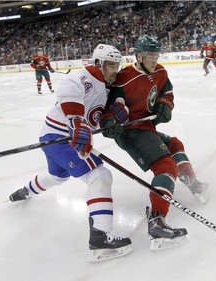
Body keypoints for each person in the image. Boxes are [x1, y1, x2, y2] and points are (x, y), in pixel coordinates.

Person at [9, 44, 132, 262]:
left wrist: (114, 114)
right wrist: (76, 122)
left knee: (58, 176)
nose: (115, 69)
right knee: (100, 175)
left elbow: (99, 113)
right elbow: (69, 90)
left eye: (117, 64)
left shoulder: (105, 84)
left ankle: (23, 192)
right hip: (61, 137)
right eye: (111, 65)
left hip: (51, 137)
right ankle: (101, 238)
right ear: (98, 64)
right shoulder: (86, 77)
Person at [100, 35, 210, 251]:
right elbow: (107, 109)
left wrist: (165, 105)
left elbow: (167, 92)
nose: (154, 59)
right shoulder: (123, 79)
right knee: (165, 167)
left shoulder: (160, 72)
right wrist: (109, 122)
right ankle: (157, 222)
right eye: (150, 55)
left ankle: (192, 183)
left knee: (175, 145)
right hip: (130, 131)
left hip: (147, 127)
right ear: (139, 56)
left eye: (156, 55)